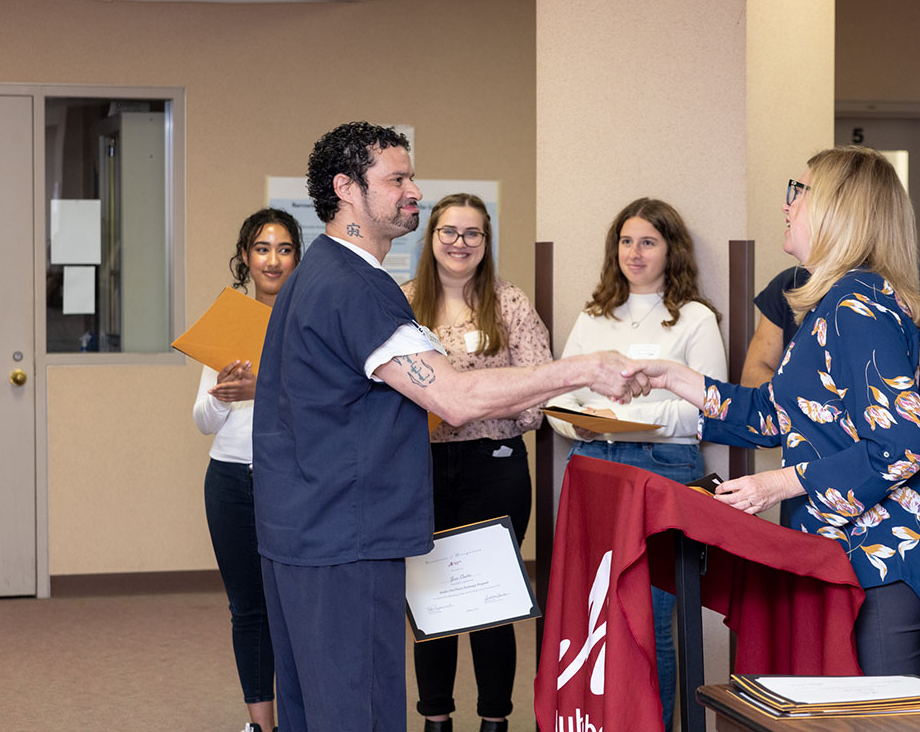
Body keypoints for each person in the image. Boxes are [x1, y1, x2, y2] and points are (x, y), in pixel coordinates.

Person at [252, 122, 646, 732]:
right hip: (343, 542)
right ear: (346, 189)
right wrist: (585, 368)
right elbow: (456, 397)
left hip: (304, 533)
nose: (414, 191)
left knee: (316, 711)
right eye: (397, 179)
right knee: (358, 712)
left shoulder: (315, 276)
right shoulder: (359, 288)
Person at [630, 146, 920, 676]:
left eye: (799, 192)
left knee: (890, 715)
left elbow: (902, 448)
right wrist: (675, 378)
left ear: (838, 210)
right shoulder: (835, 301)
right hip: (847, 545)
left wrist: (778, 484)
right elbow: (776, 414)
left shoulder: (861, 305)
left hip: (885, 552)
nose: (787, 205)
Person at [546, 197, 726, 730]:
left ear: (671, 249)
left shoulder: (695, 318)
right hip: (593, 464)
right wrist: (578, 424)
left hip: (663, 470)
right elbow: (560, 396)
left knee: (650, 617)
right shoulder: (593, 316)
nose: (635, 252)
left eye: (648, 241)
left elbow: (705, 411)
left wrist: (632, 417)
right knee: (591, 610)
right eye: (626, 241)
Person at [401, 193, 550, 732]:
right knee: (431, 600)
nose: (460, 244)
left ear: (486, 243)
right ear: (431, 237)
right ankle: (435, 718)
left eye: (472, 234)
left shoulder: (508, 302)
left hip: (497, 463)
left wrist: (472, 405)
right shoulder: (404, 300)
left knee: (492, 602)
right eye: (449, 232)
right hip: (420, 467)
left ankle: (495, 720)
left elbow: (538, 387)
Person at [193, 208, 302, 732]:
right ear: (245, 257)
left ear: (297, 258)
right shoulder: (230, 320)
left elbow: (323, 407)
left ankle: (306, 715)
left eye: (283, 249)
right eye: (262, 248)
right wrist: (222, 390)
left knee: (298, 606)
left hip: (293, 479)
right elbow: (202, 421)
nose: (273, 259)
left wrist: (264, 390)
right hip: (231, 481)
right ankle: (261, 723)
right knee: (249, 609)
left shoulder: (310, 321)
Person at [743, 262, 920, 530]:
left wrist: (820, 412)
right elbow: (753, 377)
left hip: (887, 500)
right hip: (807, 490)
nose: (787, 216)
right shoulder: (790, 285)